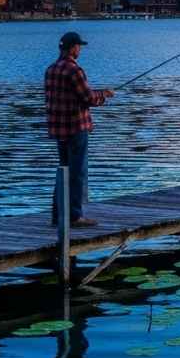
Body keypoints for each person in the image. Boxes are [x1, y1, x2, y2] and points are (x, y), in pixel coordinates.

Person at [45, 31, 114, 227]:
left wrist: (98, 93)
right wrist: (105, 95)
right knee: (77, 173)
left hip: (58, 129)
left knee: (63, 172)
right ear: (73, 48)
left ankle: (58, 215)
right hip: (76, 128)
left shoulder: (51, 69)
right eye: (79, 47)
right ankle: (75, 216)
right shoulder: (74, 70)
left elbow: (71, 95)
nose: (80, 50)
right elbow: (89, 98)